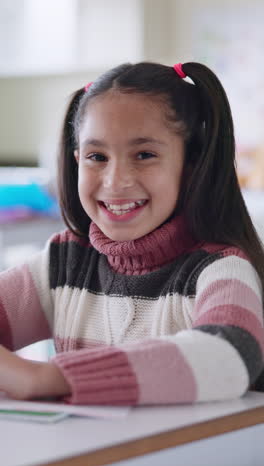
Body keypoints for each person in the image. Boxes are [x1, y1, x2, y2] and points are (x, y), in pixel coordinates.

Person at [0, 61, 264, 405]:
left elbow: (231, 355)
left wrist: (44, 378)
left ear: (191, 166)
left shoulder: (220, 269)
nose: (116, 180)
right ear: (77, 159)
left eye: (144, 154)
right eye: (97, 156)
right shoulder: (64, 263)